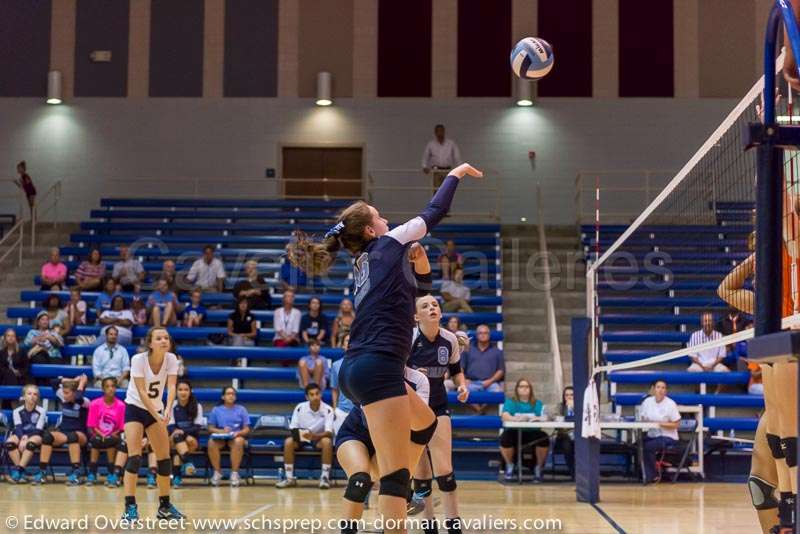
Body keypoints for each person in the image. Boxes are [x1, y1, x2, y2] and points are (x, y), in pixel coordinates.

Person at [287, 162, 481, 532]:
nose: (387, 218)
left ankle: (396, 482)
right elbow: (435, 212)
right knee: (395, 476)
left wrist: (422, 267)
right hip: (377, 367)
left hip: (359, 367)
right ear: (370, 229)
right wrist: (455, 174)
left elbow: (418, 300)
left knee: (425, 423)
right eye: (380, 215)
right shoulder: (389, 244)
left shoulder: (364, 264)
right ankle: (395, 484)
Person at [335, 367, 432, 533]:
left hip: (394, 440)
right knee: (360, 479)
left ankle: (402, 497)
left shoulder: (418, 380)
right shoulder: (368, 370)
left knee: (392, 486)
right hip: (356, 434)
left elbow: (418, 426)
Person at [408, 294, 470, 533]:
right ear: (416, 316)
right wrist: (413, 372)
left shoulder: (450, 340)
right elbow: (393, 370)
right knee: (421, 474)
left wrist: (462, 385)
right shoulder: (409, 339)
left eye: (434, 304)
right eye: (425, 306)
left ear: (440, 313)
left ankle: (453, 525)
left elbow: (456, 370)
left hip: (438, 406)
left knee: (445, 471)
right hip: (412, 409)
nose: (431, 307)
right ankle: (428, 525)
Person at [121, 327, 184, 520]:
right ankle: (130, 508)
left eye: (166, 337)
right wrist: (157, 416)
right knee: (134, 458)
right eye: (159, 338)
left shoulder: (172, 359)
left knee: (164, 459)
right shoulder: (138, 360)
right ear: (150, 343)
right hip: (135, 408)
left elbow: (172, 385)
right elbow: (141, 392)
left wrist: (168, 409)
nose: (164, 341)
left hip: (156, 410)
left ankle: (164, 506)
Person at [276, 382, 334, 489]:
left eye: (317, 394)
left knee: (327, 442)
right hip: (302, 437)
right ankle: (289, 478)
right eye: (312, 394)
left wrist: (315, 436)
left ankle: (325, 477)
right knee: (288, 442)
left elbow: (329, 432)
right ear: (307, 397)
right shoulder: (300, 408)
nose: (315, 397)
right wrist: (304, 435)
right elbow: (293, 428)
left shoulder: (328, 409)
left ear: (321, 394)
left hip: (319, 438)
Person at [39, 375, 91, 485]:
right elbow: (53, 382)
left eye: (67, 393)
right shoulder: (64, 398)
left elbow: (78, 398)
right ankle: (42, 472)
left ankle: (77, 472)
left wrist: (81, 383)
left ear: (74, 392)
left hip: (81, 434)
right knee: (47, 436)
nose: (64, 394)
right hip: (64, 432)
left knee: (73, 436)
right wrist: (73, 380)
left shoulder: (85, 401)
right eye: (64, 392)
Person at [499, 379, 549, 483]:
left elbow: (543, 416)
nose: (524, 389)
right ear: (517, 389)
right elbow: (505, 415)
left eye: (527, 387)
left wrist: (538, 418)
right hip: (515, 431)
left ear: (530, 389)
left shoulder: (537, 403)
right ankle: (509, 465)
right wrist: (515, 419)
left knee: (544, 438)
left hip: (532, 432)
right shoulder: (510, 402)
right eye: (521, 386)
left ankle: (538, 468)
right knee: (505, 438)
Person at [206, 386, 251, 488]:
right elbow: (210, 428)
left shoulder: (241, 409)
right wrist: (221, 431)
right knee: (211, 442)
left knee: (238, 441)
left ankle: (234, 474)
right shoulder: (216, 410)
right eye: (228, 394)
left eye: (233, 394)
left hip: (235, 437)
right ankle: (217, 473)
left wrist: (238, 433)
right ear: (223, 397)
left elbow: (247, 429)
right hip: (221, 437)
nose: (231, 396)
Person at [639, 379, 681, 484]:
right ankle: (642, 473)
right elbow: (642, 418)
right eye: (658, 387)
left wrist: (660, 424)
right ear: (653, 389)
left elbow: (676, 424)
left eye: (663, 388)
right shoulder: (647, 402)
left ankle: (652, 476)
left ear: (666, 391)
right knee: (637, 445)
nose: (660, 390)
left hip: (667, 436)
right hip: (652, 434)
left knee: (647, 447)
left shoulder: (671, 404)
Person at [86, 377, 126, 486]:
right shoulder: (94, 404)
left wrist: (113, 434)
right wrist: (102, 434)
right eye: (107, 387)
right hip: (98, 434)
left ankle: (111, 472)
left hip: (114, 435)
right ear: (103, 389)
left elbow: (122, 427)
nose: (111, 389)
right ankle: (92, 472)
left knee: (111, 441)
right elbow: (92, 426)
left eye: (113, 386)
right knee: (96, 440)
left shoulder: (121, 405)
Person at [460, 324, 504, 414]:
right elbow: (461, 368)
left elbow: (501, 370)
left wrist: (490, 381)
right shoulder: (467, 349)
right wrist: (464, 380)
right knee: (462, 390)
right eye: (480, 333)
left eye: (485, 333)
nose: (483, 335)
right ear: (476, 335)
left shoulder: (497, 351)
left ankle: (481, 410)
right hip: (472, 382)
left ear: (489, 335)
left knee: (497, 391)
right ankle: (479, 410)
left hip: (490, 383)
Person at [7, 384, 46, 483]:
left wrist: (26, 439)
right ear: (24, 396)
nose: (32, 396)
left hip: (36, 435)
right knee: (10, 442)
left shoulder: (41, 411)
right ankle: (22, 473)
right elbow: (18, 427)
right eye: (29, 394)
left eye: (35, 394)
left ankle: (18, 472)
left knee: (31, 443)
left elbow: (38, 429)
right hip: (21, 434)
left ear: (37, 397)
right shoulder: (17, 411)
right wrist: (22, 438)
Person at [168, 379, 203, 488]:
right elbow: (170, 426)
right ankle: (187, 463)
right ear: (176, 392)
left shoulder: (197, 406)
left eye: (186, 390)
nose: (183, 392)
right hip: (174, 438)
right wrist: (180, 433)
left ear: (190, 391)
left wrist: (184, 433)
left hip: (191, 440)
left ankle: (177, 478)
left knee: (181, 448)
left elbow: (197, 427)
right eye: (180, 390)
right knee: (178, 437)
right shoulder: (171, 405)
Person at [330, 334, 353, 435]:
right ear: (343, 345)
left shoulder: (363, 364)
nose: (349, 343)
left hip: (359, 411)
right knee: (339, 445)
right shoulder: (335, 365)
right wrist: (335, 408)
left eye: (352, 340)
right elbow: (334, 389)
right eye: (347, 341)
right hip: (341, 411)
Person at [552, 386, 576, 479]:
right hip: (564, 435)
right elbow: (555, 418)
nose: (569, 397)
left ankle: (584, 472)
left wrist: (573, 408)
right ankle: (574, 473)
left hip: (578, 435)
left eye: (572, 395)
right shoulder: (560, 406)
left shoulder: (582, 406)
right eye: (566, 395)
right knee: (567, 445)